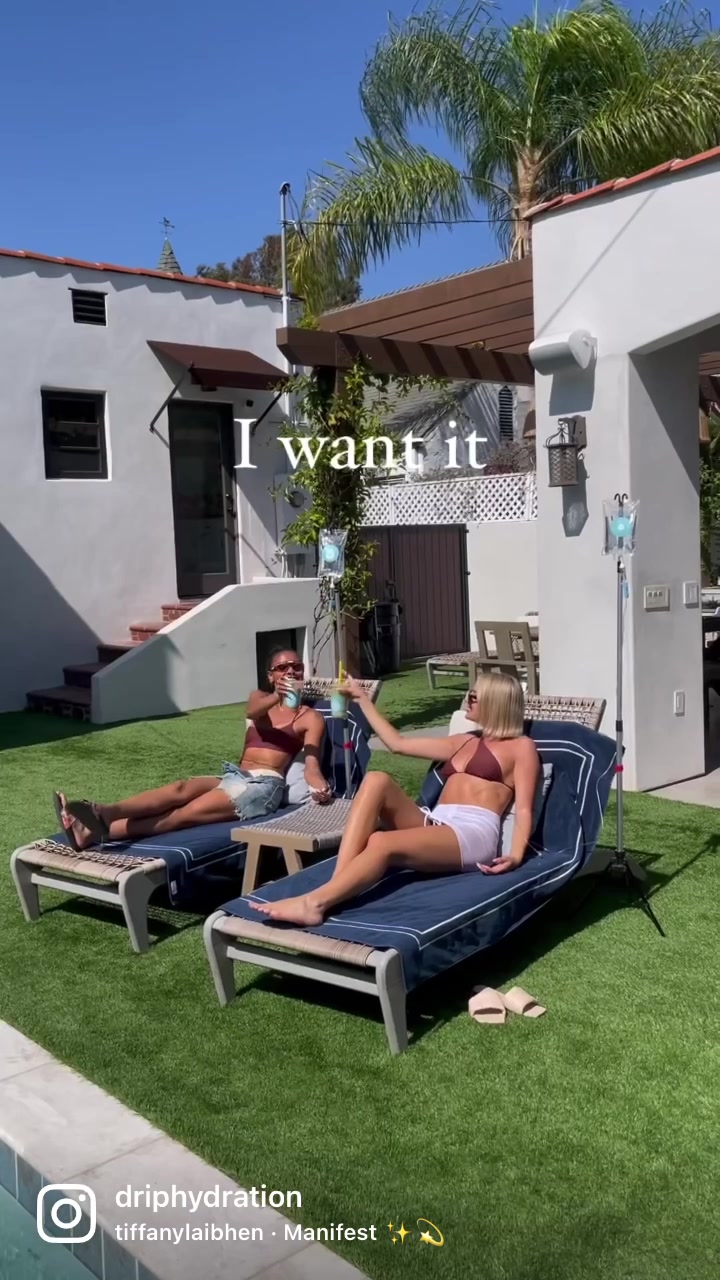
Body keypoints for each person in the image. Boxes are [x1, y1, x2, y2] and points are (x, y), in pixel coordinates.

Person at [251, 671, 539, 927]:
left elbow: (525, 809)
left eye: (474, 696)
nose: (468, 699)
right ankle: (336, 885)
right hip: (436, 821)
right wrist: (361, 699)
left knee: (381, 842)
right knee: (377, 779)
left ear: (496, 702)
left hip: (472, 834)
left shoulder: (521, 747)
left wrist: (515, 855)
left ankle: (315, 904)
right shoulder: (465, 740)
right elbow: (397, 744)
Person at [54, 648, 332, 850]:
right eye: (282, 668)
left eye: (296, 666)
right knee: (179, 789)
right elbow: (252, 711)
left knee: (183, 815)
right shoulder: (260, 698)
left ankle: (95, 826)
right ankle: (103, 815)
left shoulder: (310, 718)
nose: (290, 671)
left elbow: (311, 763)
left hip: (264, 786)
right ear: (271, 676)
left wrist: (319, 786)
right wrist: (278, 696)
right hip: (236, 775)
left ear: (303, 673)